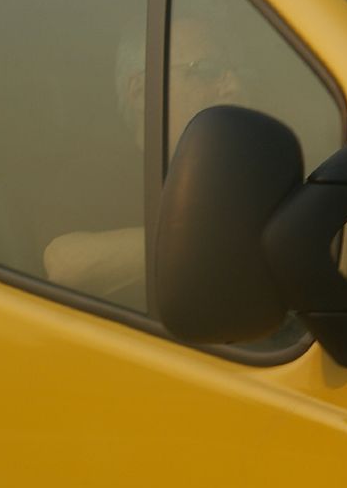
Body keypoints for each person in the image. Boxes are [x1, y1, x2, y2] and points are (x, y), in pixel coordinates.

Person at [42, 18, 241, 307]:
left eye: (237, 73)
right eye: (206, 71)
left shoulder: (243, 168)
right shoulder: (94, 171)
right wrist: (213, 246)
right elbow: (65, 264)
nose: (233, 85)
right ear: (140, 91)